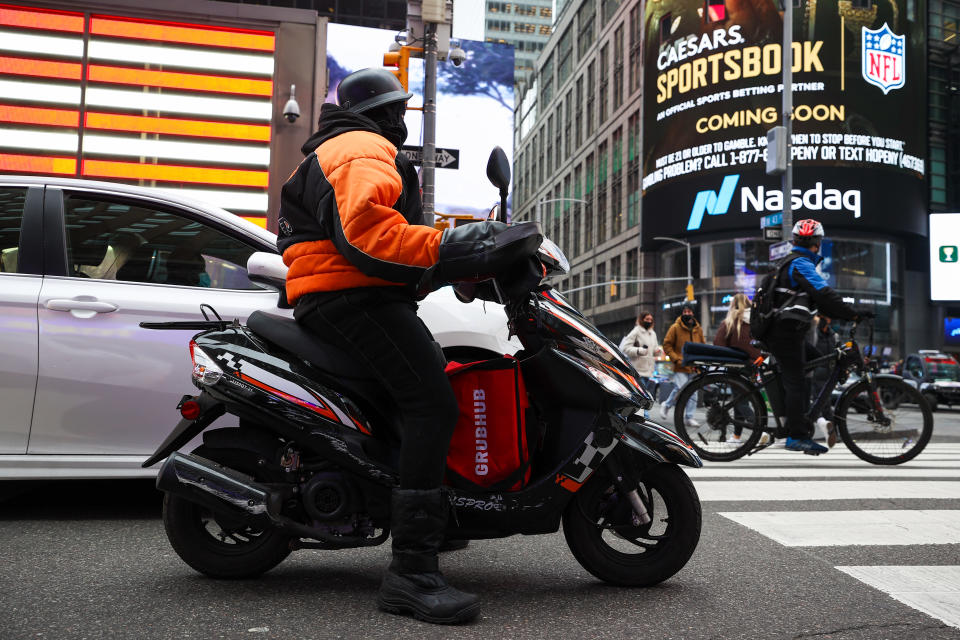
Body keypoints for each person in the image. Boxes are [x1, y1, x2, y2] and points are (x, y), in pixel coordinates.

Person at [275, 69, 540, 624]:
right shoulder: (360, 148)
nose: (403, 119)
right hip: (352, 300)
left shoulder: (346, 149)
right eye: (397, 109)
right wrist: (458, 244)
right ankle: (411, 573)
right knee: (433, 402)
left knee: (416, 394)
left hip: (352, 295)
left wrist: (460, 266)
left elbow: (385, 251)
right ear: (378, 113)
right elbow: (369, 239)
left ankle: (427, 521)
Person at [766, 219, 861, 454]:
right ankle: (795, 436)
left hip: (787, 333)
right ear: (817, 244)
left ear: (796, 240)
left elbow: (819, 302)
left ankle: (800, 422)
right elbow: (823, 293)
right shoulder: (801, 264)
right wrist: (852, 314)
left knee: (824, 359)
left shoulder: (792, 262)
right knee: (796, 381)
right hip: (784, 335)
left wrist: (842, 315)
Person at [713, 293, 761, 444]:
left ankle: (759, 429)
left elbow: (718, 343)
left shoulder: (731, 321)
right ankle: (737, 436)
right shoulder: (756, 320)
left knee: (740, 400)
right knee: (742, 399)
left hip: (735, 366)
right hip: (754, 366)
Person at [660, 304, 705, 427]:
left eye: (689, 311)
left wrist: (701, 361)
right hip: (680, 365)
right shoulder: (675, 328)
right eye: (685, 311)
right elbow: (667, 345)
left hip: (694, 366)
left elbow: (702, 346)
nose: (687, 313)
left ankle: (689, 417)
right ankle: (667, 405)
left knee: (693, 392)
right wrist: (676, 359)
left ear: (693, 313)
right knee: (681, 388)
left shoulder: (698, 329)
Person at [619, 311, 662, 416]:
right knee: (643, 397)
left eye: (650, 320)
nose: (649, 321)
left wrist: (658, 351)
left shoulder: (653, 333)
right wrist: (639, 350)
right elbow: (625, 348)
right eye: (647, 319)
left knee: (642, 396)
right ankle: (644, 417)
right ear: (641, 320)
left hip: (649, 370)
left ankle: (634, 415)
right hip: (638, 370)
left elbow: (655, 348)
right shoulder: (636, 331)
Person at [807, 314, 840, 446]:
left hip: (827, 373)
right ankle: (829, 430)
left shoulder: (831, 335)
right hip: (817, 371)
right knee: (821, 402)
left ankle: (829, 429)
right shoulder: (822, 333)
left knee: (823, 403)